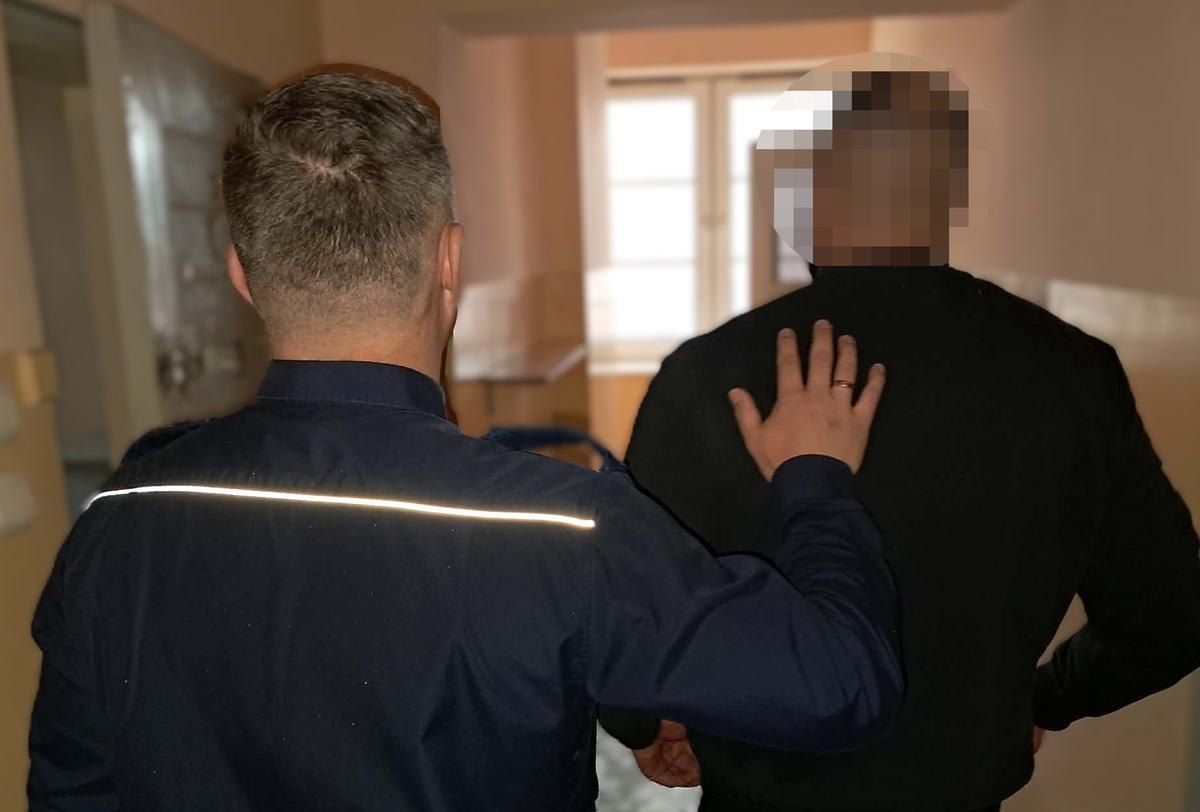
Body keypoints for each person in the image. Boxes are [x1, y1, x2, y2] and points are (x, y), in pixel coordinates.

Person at [25, 70, 904, 812]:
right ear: (450, 261)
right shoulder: (566, 532)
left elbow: (74, 787)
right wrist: (814, 476)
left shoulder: (116, 522)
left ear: (242, 276)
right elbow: (843, 685)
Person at [602, 59, 1200, 811]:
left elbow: (627, 607)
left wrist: (647, 719)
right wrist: (1041, 700)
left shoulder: (710, 375)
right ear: (946, 193)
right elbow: (1172, 617)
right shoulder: (1075, 372)